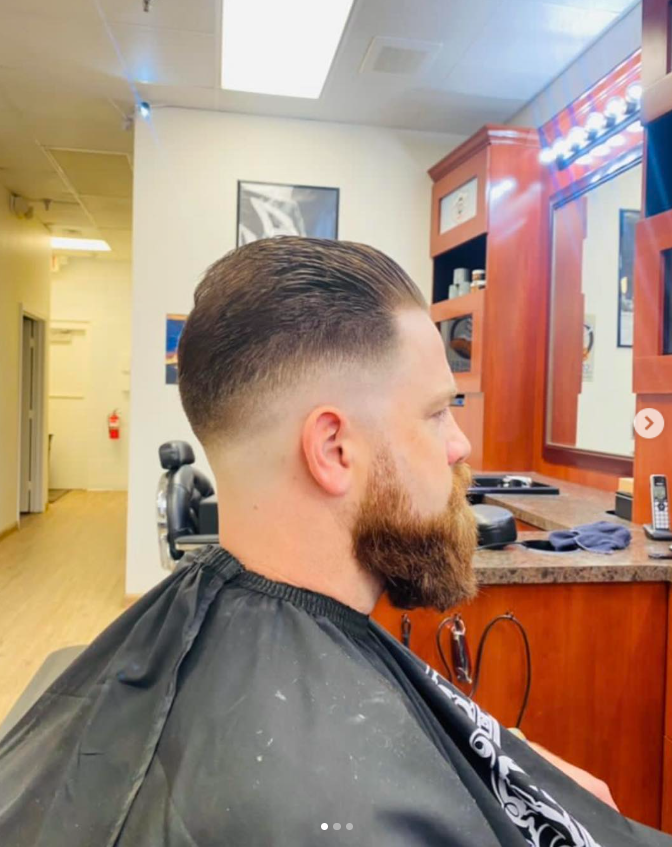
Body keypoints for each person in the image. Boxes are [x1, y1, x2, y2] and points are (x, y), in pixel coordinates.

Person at [0, 237, 669, 846]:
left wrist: (476, 750)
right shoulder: (334, 809)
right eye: (437, 412)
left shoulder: (104, 673)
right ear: (334, 448)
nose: (460, 444)